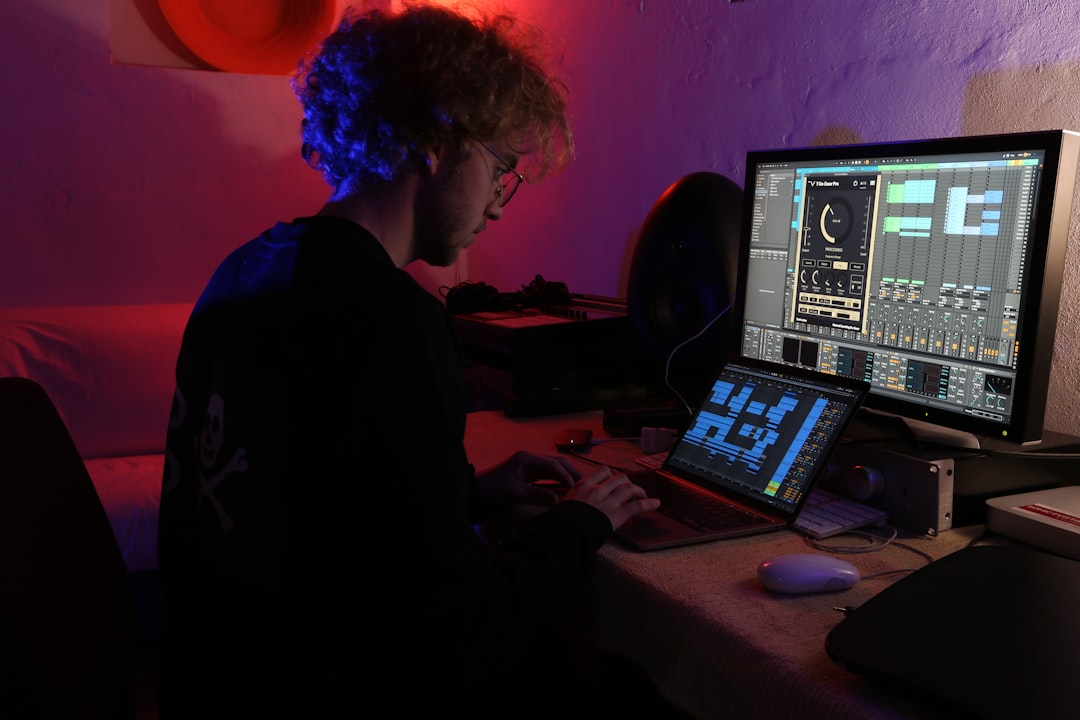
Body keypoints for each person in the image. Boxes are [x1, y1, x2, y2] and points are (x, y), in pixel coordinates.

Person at [156, 2, 661, 717]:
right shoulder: (392, 318)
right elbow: (461, 637)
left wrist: (468, 493)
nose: (499, 206)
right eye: (499, 168)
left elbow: (310, 506)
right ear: (436, 142)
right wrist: (580, 521)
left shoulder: (240, 273)